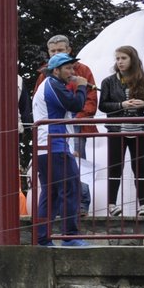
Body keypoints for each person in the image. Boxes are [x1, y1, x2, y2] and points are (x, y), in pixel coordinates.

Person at [32, 52, 90, 246]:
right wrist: (82, 85)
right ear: (55, 70)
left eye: (72, 68)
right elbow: (76, 104)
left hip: (46, 147)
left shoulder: (51, 85)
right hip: (54, 145)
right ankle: (69, 235)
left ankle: (42, 238)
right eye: (68, 68)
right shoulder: (52, 85)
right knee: (70, 188)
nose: (72, 72)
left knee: (51, 194)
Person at [99, 46, 144, 217]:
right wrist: (121, 105)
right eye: (117, 59)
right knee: (116, 166)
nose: (120, 62)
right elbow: (103, 105)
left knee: (139, 166)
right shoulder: (108, 81)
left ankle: (143, 205)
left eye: (123, 58)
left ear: (132, 60)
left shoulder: (142, 79)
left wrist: (142, 104)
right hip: (116, 129)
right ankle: (112, 204)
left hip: (139, 128)